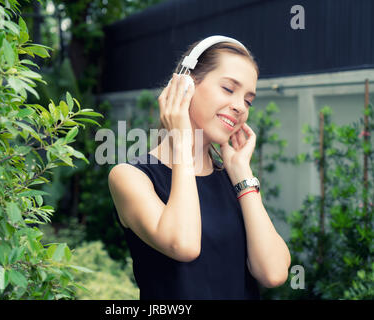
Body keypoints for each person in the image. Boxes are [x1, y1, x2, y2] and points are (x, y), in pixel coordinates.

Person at [108, 36, 291, 300]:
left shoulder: (234, 180)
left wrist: (242, 174)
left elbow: (273, 273)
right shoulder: (131, 177)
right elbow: (183, 244)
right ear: (185, 86)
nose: (240, 106)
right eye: (228, 89)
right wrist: (182, 144)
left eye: (248, 100)